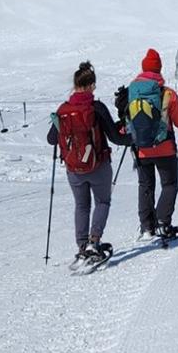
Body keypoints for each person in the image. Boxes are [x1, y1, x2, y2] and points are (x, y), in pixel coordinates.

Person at [47, 61, 132, 262]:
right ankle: (94, 241)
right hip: (98, 165)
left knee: (81, 205)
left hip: (73, 169)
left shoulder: (63, 110)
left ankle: (82, 245)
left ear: (75, 85)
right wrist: (134, 139)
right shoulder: (96, 108)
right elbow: (115, 137)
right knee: (102, 202)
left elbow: (51, 139)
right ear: (91, 85)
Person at [123, 48, 178, 241]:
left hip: (141, 149)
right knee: (170, 184)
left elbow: (127, 119)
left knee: (145, 186)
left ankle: (147, 227)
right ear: (159, 69)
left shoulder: (132, 93)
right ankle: (162, 222)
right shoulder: (167, 93)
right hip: (165, 148)